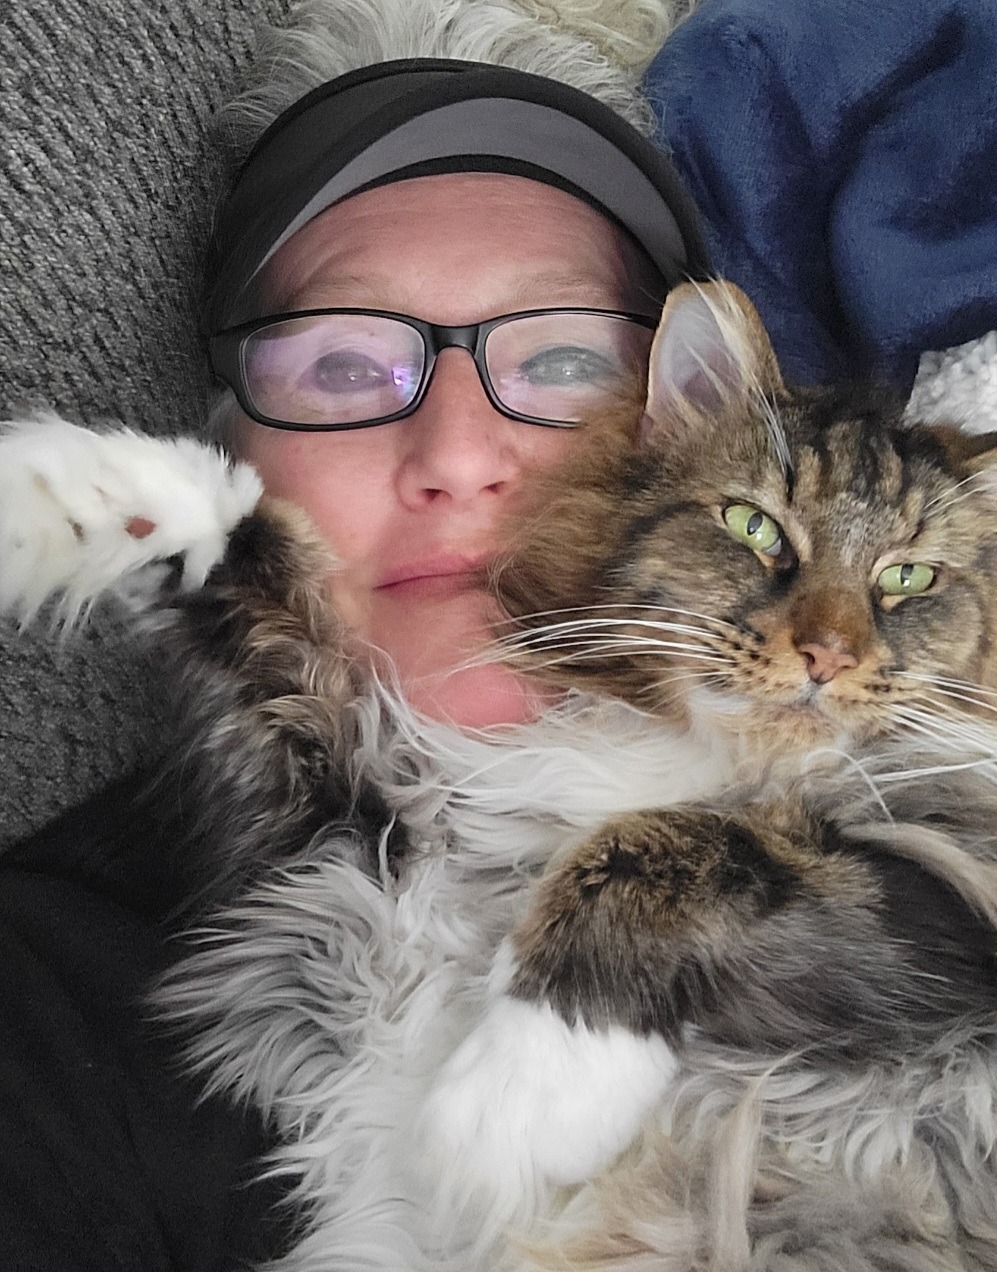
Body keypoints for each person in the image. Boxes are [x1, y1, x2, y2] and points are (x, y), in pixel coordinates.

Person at [0, 8, 712, 1270]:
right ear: (227, 458)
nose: (458, 455)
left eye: (564, 362)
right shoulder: (53, 994)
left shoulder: (954, 836)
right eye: (341, 367)